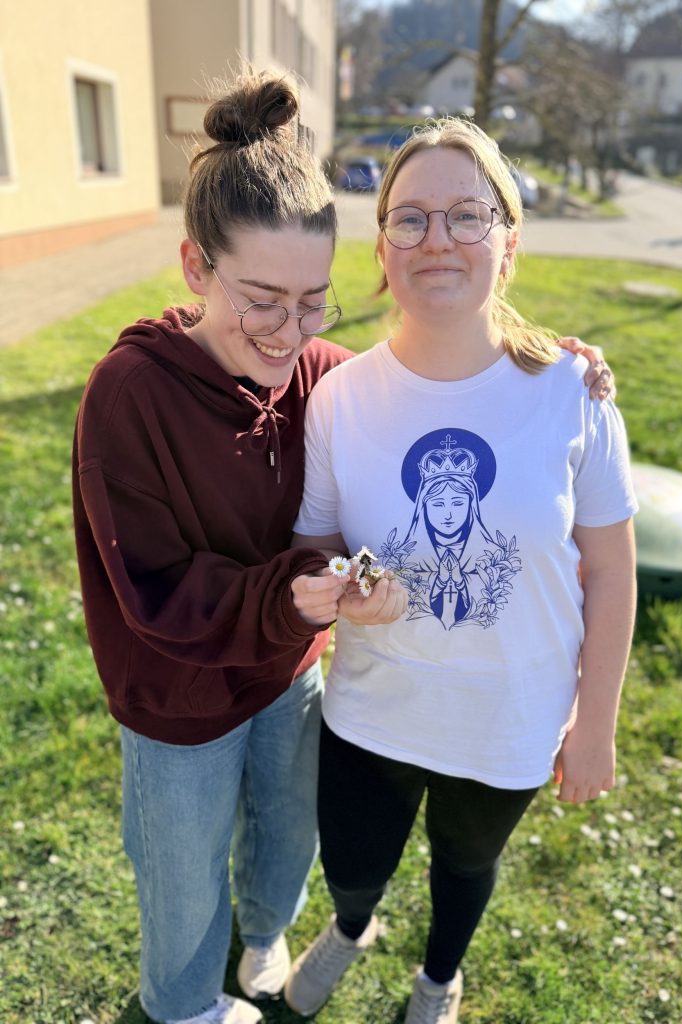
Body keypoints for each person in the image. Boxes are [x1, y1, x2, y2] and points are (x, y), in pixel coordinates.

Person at [71, 70, 613, 1024]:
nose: (288, 334)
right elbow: (151, 585)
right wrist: (297, 594)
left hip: (288, 678)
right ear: (195, 265)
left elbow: (430, 396)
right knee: (182, 867)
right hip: (179, 697)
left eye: (312, 302)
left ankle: (265, 932)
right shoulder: (130, 394)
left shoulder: (320, 374)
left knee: (286, 836)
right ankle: (184, 1003)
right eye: (262, 300)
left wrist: (556, 361)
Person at [287, 117, 638, 1024]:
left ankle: (439, 977)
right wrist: (337, 587)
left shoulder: (573, 393)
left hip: (510, 719)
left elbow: (611, 569)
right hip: (373, 709)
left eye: (466, 215)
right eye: (409, 218)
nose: (436, 238)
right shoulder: (339, 399)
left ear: (508, 244)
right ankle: (352, 925)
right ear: (381, 247)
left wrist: (595, 723)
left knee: (466, 865)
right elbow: (315, 545)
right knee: (353, 861)